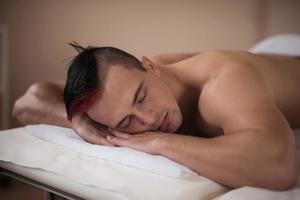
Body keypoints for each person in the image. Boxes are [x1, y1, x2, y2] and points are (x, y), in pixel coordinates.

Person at [13, 43, 300, 190]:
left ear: (149, 66)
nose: (148, 120)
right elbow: (27, 101)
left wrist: (162, 143)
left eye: (141, 97)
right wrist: (79, 122)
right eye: (126, 121)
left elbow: (279, 165)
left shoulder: (220, 84)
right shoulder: (109, 95)